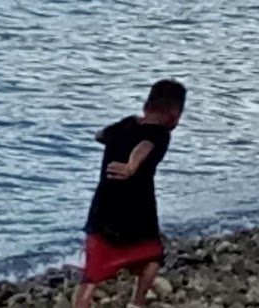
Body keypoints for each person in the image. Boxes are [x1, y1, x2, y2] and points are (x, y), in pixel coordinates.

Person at [74, 79, 188, 308]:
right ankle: (136, 302)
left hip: (103, 209)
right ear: (174, 114)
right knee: (152, 256)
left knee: (92, 273)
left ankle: (82, 304)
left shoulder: (124, 125)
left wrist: (111, 137)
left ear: (147, 106)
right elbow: (144, 147)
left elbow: (101, 135)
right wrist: (131, 166)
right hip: (138, 211)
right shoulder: (161, 134)